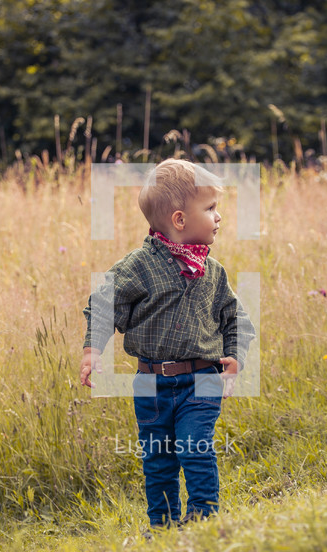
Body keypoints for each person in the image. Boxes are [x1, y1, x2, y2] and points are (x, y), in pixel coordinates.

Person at [79, 158, 255, 529]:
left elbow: (236, 318)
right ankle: (161, 524)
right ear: (179, 220)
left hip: (202, 378)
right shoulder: (138, 267)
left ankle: (203, 517)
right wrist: (93, 350)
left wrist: (235, 356)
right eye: (210, 208)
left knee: (195, 446)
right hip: (151, 383)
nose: (218, 216)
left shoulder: (213, 272)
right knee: (158, 458)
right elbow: (104, 304)